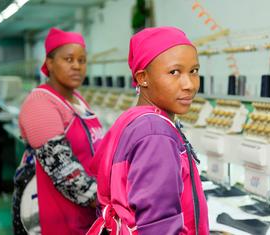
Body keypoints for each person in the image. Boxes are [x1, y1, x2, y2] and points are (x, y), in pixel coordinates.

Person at [88, 26, 209, 235]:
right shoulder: (156, 134)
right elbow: (159, 227)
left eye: (194, 71)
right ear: (143, 77)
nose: (189, 84)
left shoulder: (136, 119)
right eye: (174, 72)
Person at [12, 28, 103, 235]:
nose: (77, 66)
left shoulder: (78, 100)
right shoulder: (40, 103)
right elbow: (64, 171)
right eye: (68, 59)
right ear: (50, 63)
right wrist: (108, 198)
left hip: (84, 211)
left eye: (82, 60)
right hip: (52, 215)